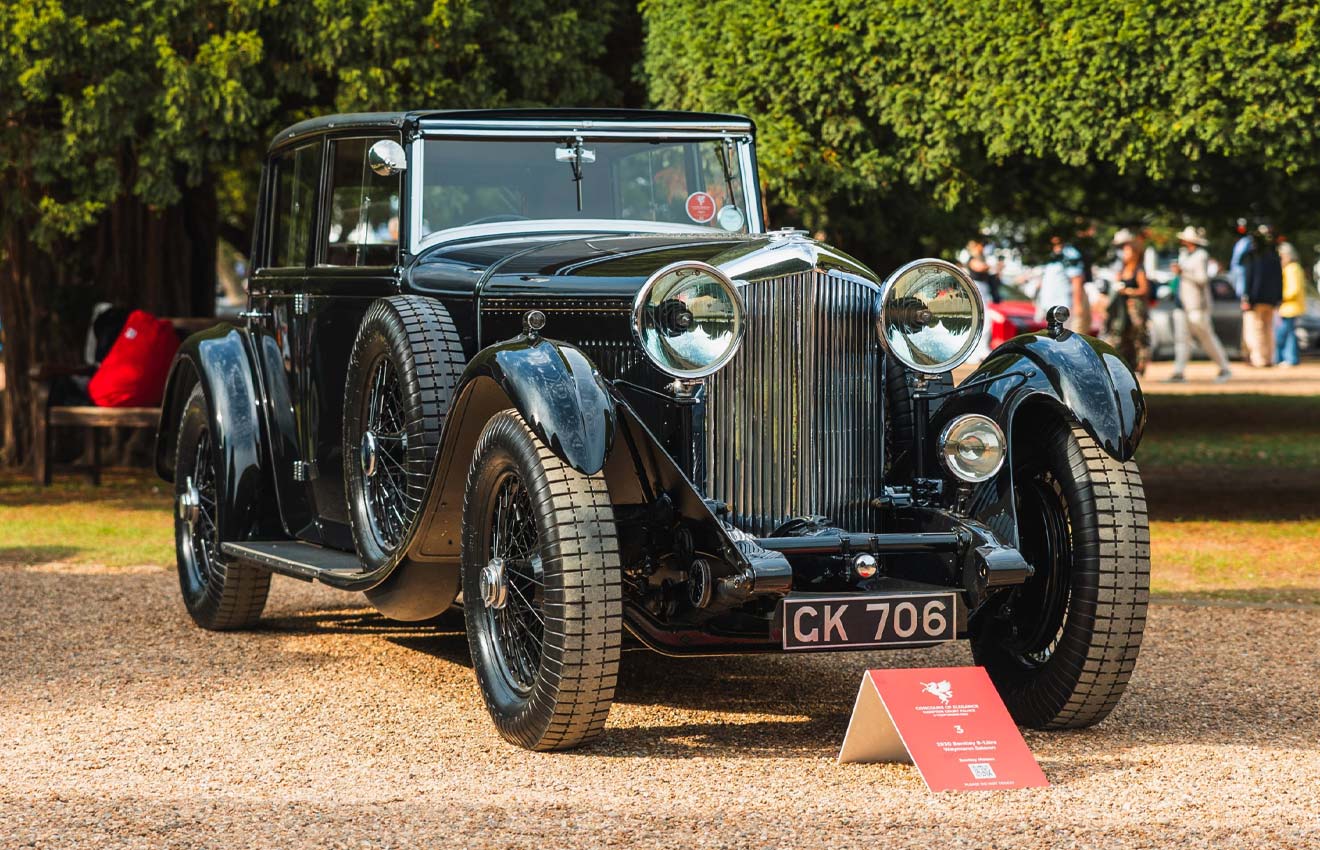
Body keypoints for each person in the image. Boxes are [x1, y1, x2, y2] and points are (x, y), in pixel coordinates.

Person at [1168, 226, 1232, 382]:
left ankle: (1224, 368)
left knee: (1206, 337)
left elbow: (1202, 279)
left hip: (1196, 304)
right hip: (1181, 303)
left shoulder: (1201, 256)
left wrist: (1183, 272)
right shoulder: (1184, 255)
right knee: (1181, 340)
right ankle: (1178, 372)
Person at [1105, 230, 1151, 375]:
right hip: (1122, 309)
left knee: (1138, 336)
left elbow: (1144, 289)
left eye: (1127, 251)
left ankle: (1140, 366)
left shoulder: (1139, 270)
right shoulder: (1122, 269)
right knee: (1122, 336)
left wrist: (1129, 291)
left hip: (1135, 308)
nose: (1125, 254)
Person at [1240, 226, 1283, 368]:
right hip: (1271, 299)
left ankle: (1259, 359)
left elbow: (1249, 278)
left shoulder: (1253, 256)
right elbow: (1279, 279)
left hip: (1257, 298)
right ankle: (1269, 357)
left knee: (1257, 328)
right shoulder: (1274, 255)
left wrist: (1247, 297)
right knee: (1268, 328)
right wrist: (1278, 297)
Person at [1036, 234, 1090, 333]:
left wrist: (1078, 306)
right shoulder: (1053, 255)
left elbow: (1076, 279)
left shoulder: (1070, 253)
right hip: (1049, 307)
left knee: (1062, 342)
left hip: (1062, 309)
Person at [1276, 242, 1308, 367]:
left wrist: (1281, 297)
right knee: (1288, 333)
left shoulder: (1292, 268)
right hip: (1289, 307)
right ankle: (1288, 357)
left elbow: (1293, 289)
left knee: (1286, 334)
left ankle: (1290, 358)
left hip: (1290, 307)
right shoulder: (1294, 268)